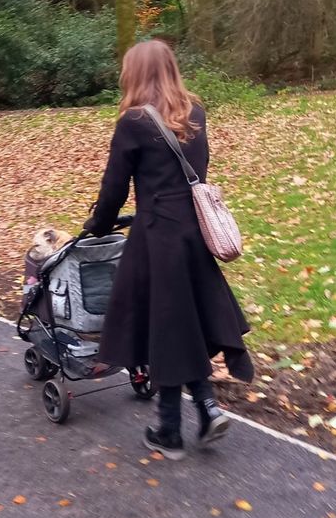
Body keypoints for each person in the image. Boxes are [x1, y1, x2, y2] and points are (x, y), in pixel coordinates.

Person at [84, 40, 253, 460]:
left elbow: (113, 190)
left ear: (135, 73)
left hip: (157, 237)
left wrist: (95, 228)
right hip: (194, 235)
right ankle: (204, 409)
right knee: (182, 325)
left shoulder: (133, 122)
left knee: (164, 325)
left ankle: (171, 431)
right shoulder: (195, 114)